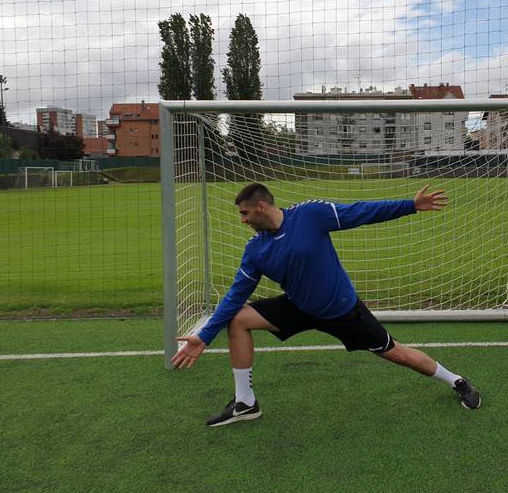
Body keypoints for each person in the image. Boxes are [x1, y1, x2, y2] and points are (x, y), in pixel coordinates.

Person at [171, 182, 482, 426]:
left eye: (245, 214)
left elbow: (360, 212)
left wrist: (411, 206)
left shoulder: (310, 215)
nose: (243, 221)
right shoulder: (256, 249)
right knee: (237, 318)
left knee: (396, 352)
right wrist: (204, 336)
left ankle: (456, 380)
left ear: (261, 206)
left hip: (342, 310)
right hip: (298, 308)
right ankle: (245, 403)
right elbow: (235, 295)